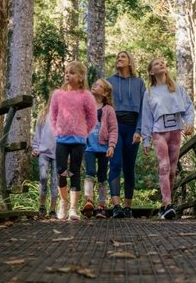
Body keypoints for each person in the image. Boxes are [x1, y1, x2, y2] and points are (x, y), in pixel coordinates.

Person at [141, 58, 195, 220]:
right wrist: (146, 139)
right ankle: (168, 203)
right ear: (151, 72)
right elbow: (146, 118)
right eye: (156, 64)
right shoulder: (149, 92)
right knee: (163, 167)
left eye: (162, 62)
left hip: (175, 131)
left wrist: (189, 123)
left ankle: (165, 207)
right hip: (159, 132)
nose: (161, 64)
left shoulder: (177, 88)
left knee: (172, 170)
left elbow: (188, 107)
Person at [50, 61, 97, 221]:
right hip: (62, 139)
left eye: (72, 72)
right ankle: (63, 202)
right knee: (61, 170)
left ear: (80, 77)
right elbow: (53, 115)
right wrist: (57, 132)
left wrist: (83, 132)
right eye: (66, 72)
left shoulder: (86, 95)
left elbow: (92, 118)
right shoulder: (58, 94)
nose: (67, 75)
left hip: (78, 140)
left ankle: (73, 208)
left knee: (75, 171)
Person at [107, 51, 146, 219]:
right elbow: (104, 106)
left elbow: (144, 109)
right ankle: (116, 206)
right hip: (114, 127)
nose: (119, 59)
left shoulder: (139, 83)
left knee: (129, 168)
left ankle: (128, 207)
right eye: (118, 57)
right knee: (115, 164)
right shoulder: (109, 82)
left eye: (122, 57)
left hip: (132, 128)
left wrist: (139, 131)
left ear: (130, 62)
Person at [82, 78, 118, 219]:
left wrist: (111, 145)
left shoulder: (108, 110)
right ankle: (89, 201)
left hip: (103, 148)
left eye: (98, 85)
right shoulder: (86, 107)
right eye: (94, 83)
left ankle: (101, 206)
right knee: (89, 173)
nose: (94, 85)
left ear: (105, 93)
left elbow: (113, 129)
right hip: (89, 147)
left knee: (102, 176)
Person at [31, 99, 58, 219]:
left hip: (58, 153)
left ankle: (52, 209)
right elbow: (38, 133)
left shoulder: (63, 115)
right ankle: (42, 205)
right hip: (43, 151)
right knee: (43, 177)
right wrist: (35, 147)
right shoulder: (43, 114)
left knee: (55, 181)